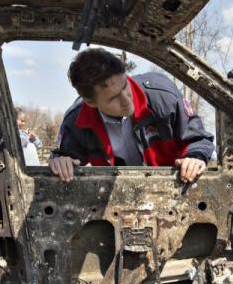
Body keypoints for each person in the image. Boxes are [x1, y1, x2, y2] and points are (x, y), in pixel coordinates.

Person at [48, 48, 213, 183]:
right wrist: (61, 161)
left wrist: (195, 156)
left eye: (125, 86)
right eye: (113, 98)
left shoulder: (163, 95)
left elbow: (199, 139)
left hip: (172, 194)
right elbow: (66, 157)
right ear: (91, 102)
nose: (126, 99)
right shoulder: (76, 122)